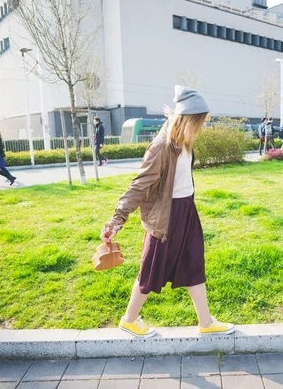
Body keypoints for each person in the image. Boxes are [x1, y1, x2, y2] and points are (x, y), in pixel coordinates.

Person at [101, 86, 235, 338]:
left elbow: (176, 117)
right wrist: (116, 219)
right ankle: (129, 320)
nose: (202, 127)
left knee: (194, 262)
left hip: (186, 211)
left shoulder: (182, 138)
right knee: (151, 268)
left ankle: (205, 322)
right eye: (200, 122)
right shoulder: (162, 147)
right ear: (188, 121)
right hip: (165, 216)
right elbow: (139, 185)